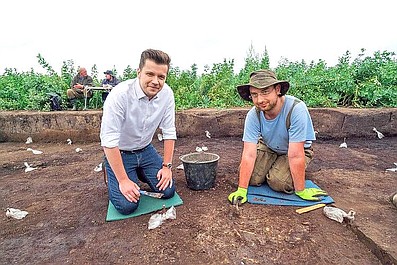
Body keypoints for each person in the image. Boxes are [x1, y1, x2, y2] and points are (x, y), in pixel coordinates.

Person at [228, 69, 327, 205]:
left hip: (296, 151)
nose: (260, 100)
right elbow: (249, 154)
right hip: (269, 146)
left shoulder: (296, 109)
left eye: (265, 92)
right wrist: (241, 189)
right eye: (254, 95)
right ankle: (275, 164)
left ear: (278, 89)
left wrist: (301, 190)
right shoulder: (254, 114)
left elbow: (296, 155)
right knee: (249, 177)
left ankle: (287, 171)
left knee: (278, 182)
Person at [100, 49, 176, 215]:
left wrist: (167, 167)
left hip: (145, 149)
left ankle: (140, 170)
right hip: (121, 152)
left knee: (168, 190)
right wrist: (123, 180)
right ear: (139, 72)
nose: (155, 81)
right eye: (150, 74)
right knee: (127, 205)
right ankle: (113, 168)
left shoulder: (167, 95)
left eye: (161, 77)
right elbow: (109, 141)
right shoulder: (120, 95)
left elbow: (169, 132)